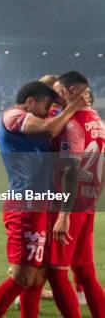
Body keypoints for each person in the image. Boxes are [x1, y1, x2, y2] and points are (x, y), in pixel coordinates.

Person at [0, 80, 88, 318]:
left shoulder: (34, 117)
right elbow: (50, 128)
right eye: (45, 105)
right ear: (30, 101)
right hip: (23, 205)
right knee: (23, 278)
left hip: (38, 206)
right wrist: (72, 107)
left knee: (37, 277)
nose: (46, 111)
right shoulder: (13, 115)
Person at [47, 71, 105, 318]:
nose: (55, 95)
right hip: (88, 203)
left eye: (59, 90)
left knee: (57, 271)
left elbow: (71, 169)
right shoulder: (96, 119)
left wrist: (64, 214)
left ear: (71, 91)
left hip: (70, 206)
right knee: (84, 270)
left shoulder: (72, 124)